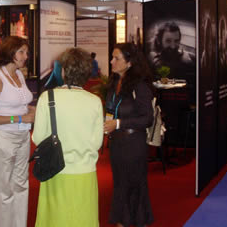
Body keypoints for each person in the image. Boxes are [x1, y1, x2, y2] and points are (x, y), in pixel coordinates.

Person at [32, 47, 104, 227]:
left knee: (55, 220)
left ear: (63, 71)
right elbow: (97, 143)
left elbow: (38, 137)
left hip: (55, 171)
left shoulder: (47, 97)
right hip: (85, 172)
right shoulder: (94, 101)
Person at [0, 36, 35, 227]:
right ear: (10, 53)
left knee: (21, 186)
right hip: (3, 138)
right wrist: (20, 118)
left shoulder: (19, 74)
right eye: (21, 52)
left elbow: (21, 103)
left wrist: (31, 110)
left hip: (22, 137)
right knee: (3, 190)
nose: (25, 56)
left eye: (26, 52)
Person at [104, 42, 154, 227]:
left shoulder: (139, 86)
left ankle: (137, 221)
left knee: (133, 185)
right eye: (112, 57)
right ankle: (122, 221)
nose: (111, 61)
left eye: (116, 58)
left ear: (129, 63)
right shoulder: (115, 83)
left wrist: (118, 123)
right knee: (120, 185)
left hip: (134, 145)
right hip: (117, 144)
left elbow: (147, 118)